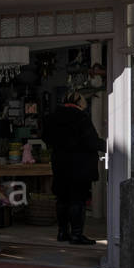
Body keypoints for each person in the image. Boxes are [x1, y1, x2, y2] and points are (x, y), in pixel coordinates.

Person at [43, 91, 107, 245]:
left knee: (62, 198)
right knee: (77, 199)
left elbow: (45, 136)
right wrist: (109, 146)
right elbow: (91, 141)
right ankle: (77, 235)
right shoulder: (81, 117)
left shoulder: (53, 117)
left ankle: (62, 232)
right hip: (80, 164)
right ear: (79, 102)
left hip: (60, 163)